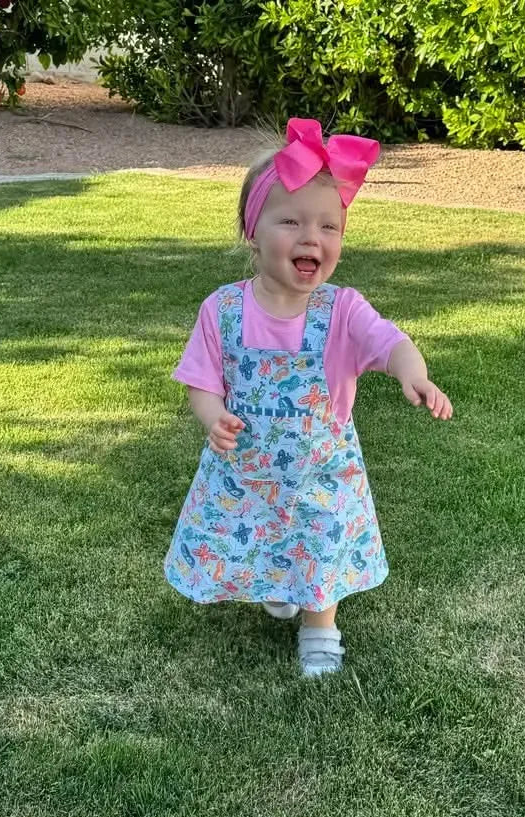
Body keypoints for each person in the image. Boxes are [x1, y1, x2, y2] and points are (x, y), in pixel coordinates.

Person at [164, 118, 452, 676]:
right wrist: (212, 415)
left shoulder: (341, 310)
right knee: (256, 532)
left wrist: (411, 371)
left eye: (328, 225)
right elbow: (203, 379)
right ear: (253, 230)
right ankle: (277, 581)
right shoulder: (222, 310)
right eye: (290, 221)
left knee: (318, 541)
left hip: (322, 476)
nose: (311, 238)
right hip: (247, 473)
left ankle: (320, 628)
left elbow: (388, 341)